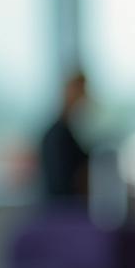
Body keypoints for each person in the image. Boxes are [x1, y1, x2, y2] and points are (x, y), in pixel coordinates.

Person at [37, 70, 90, 202]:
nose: (85, 98)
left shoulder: (66, 133)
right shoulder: (58, 136)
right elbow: (61, 182)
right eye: (82, 92)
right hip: (63, 210)